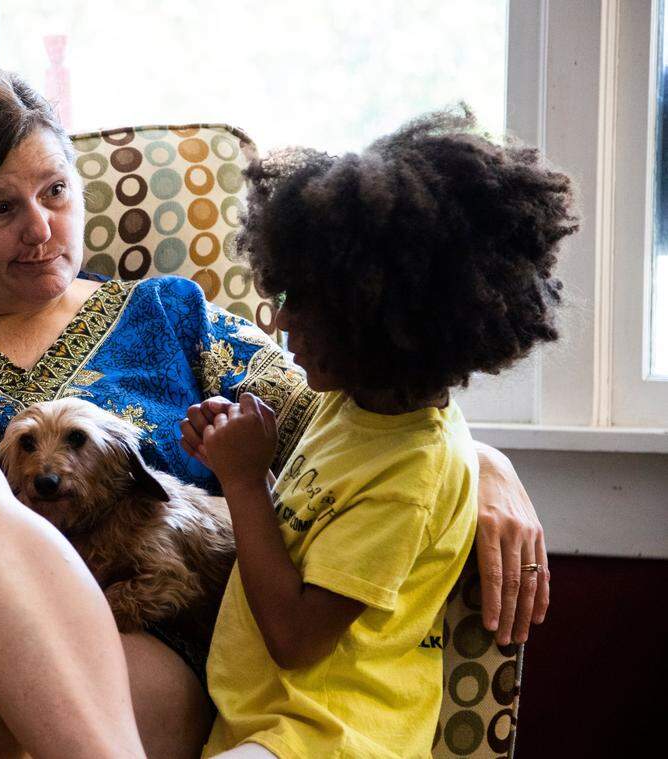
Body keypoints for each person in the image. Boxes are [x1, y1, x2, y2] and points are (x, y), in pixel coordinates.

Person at [0, 63, 552, 759]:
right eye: (0, 209)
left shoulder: (172, 316)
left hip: (125, 644)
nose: (40, 228)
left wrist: (485, 462)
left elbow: (367, 396)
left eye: (56, 192)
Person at [181, 108, 576, 758]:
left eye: (300, 302)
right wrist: (240, 444)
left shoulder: (409, 477)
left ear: (382, 327)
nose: (279, 320)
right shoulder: (354, 401)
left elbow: (297, 636)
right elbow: (315, 526)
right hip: (267, 716)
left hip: (331, 734)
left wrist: (245, 479)